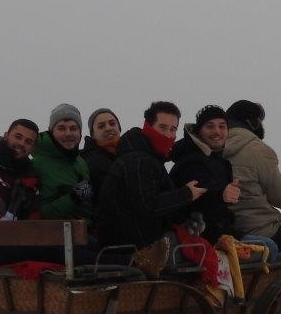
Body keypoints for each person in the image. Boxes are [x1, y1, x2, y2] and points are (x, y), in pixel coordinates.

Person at [95, 101, 204, 251]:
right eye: (162, 127)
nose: (168, 135)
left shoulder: (147, 156)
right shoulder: (139, 160)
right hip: (130, 250)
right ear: (148, 126)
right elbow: (148, 205)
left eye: (173, 129)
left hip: (134, 244)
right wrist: (186, 194)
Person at [223, 99, 281, 252]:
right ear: (252, 123)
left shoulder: (214, 146)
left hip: (225, 229)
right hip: (258, 229)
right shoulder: (258, 150)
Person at [169, 105, 238, 243]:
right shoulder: (191, 161)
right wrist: (221, 195)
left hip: (218, 233)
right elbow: (193, 201)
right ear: (199, 130)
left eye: (222, 126)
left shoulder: (217, 160)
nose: (217, 131)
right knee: (269, 246)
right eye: (210, 126)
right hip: (196, 239)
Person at [33, 103, 94, 220]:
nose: (68, 133)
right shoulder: (37, 164)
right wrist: (72, 198)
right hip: (53, 231)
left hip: (84, 229)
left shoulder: (81, 162)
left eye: (73, 128)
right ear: (51, 132)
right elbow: (37, 213)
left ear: (80, 133)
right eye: (61, 128)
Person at [81, 107, 121, 200]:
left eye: (112, 123)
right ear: (93, 135)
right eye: (101, 126)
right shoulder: (91, 162)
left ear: (119, 128)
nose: (108, 128)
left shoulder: (128, 155)